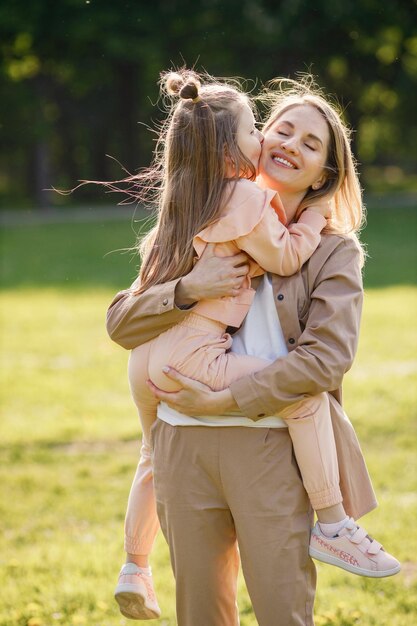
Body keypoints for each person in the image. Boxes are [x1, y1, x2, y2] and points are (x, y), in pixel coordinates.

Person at [107, 73, 399, 625]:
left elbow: (326, 360)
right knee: (200, 614)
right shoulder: (196, 214)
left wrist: (229, 401)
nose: (291, 145)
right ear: (255, 140)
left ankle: (334, 526)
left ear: (325, 174)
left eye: (311, 144)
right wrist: (190, 287)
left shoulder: (333, 252)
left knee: (282, 609)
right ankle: (135, 566)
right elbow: (122, 323)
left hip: (268, 446)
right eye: (283, 130)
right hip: (182, 442)